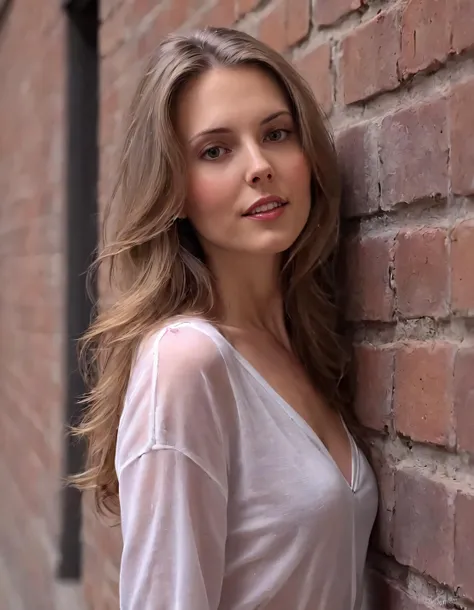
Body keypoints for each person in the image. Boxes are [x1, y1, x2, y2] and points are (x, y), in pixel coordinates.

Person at [73, 26, 378, 610]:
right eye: (216, 150)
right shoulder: (185, 362)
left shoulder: (300, 348)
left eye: (276, 134)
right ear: (175, 190)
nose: (259, 166)